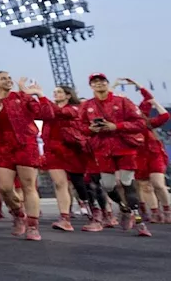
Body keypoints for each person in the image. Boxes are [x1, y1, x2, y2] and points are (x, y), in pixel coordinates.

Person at [0, 71, 51, 240]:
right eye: (3, 78)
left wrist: (40, 95)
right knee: (4, 188)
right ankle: (19, 214)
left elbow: (47, 115)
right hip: (3, 149)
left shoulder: (22, 97)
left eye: (9, 78)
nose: (8, 80)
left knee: (28, 186)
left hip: (26, 145)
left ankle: (33, 226)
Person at [81, 73, 151, 237]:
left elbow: (140, 123)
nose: (98, 84)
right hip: (102, 149)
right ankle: (123, 207)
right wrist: (91, 129)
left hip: (124, 147)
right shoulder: (87, 106)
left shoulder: (122, 101)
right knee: (108, 186)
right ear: (91, 86)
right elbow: (81, 127)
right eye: (94, 82)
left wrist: (116, 126)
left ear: (107, 83)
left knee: (127, 182)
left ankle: (140, 222)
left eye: (101, 81)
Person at [40, 85, 91, 232]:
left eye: (59, 92)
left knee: (79, 185)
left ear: (68, 95)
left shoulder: (75, 108)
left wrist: (40, 95)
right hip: (54, 151)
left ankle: (92, 213)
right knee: (59, 184)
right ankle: (65, 218)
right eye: (54, 92)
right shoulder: (50, 109)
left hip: (73, 151)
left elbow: (61, 112)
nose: (56, 94)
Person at [127, 79, 170, 223]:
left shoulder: (146, 121)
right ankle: (155, 212)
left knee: (158, 184)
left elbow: (164, 115)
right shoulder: (125, 124)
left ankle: (167, 209)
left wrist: (139, 87)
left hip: (154, 154)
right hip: (137, 156)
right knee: (145, 186)